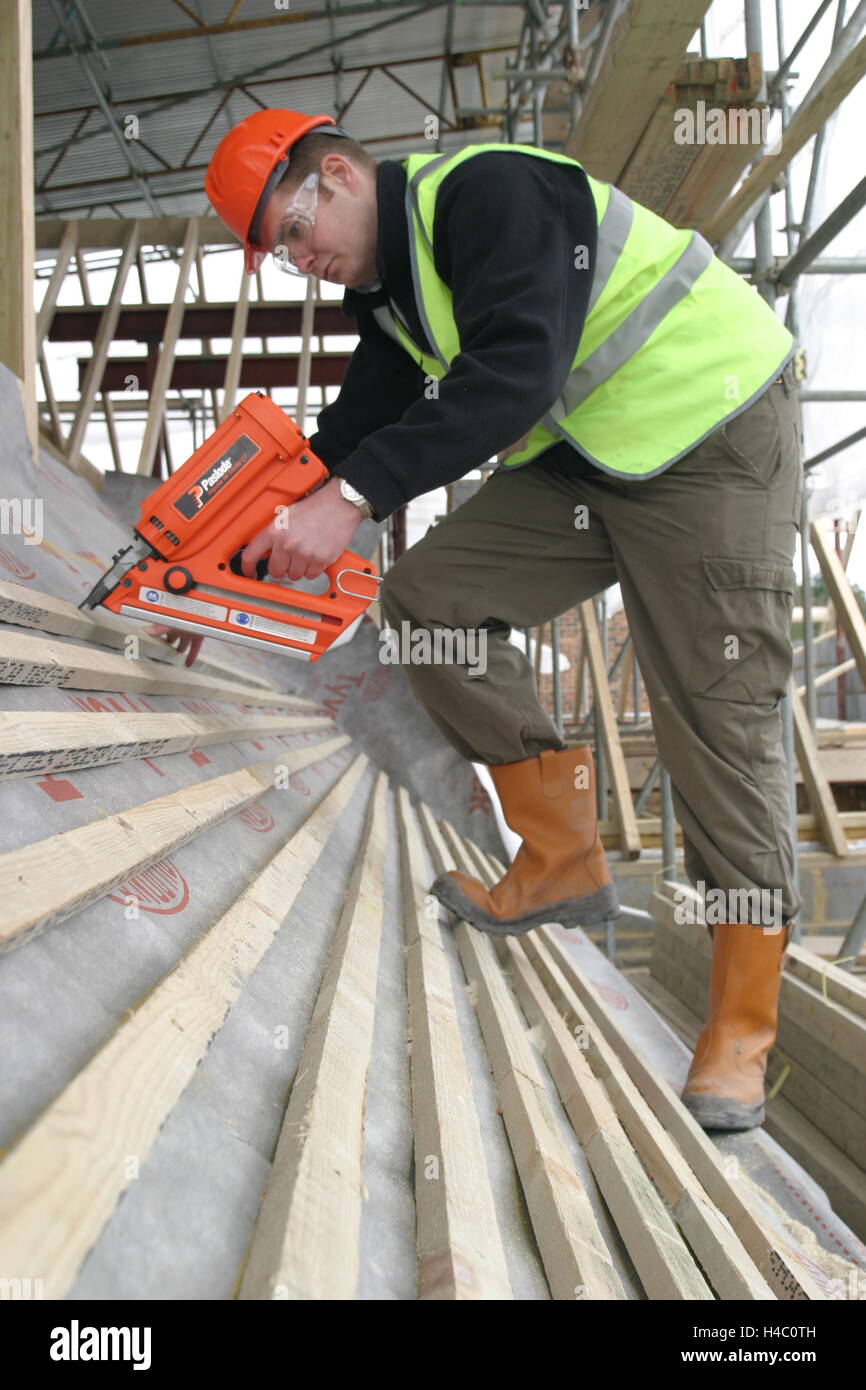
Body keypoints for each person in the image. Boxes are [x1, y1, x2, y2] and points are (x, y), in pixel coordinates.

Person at [155, 108, 805, 1132]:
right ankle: (560, 857)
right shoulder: (390, 296)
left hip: (711, 431)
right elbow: (340, 443)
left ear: (333, 174)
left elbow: (513, 372)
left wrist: (351, 503)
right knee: (429, 600)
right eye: (277, 254)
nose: (297, 261)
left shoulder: (487, 194)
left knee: (715, 723)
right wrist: (201, 570)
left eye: (289, 231)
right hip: (595, 458)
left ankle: (740, 1025)